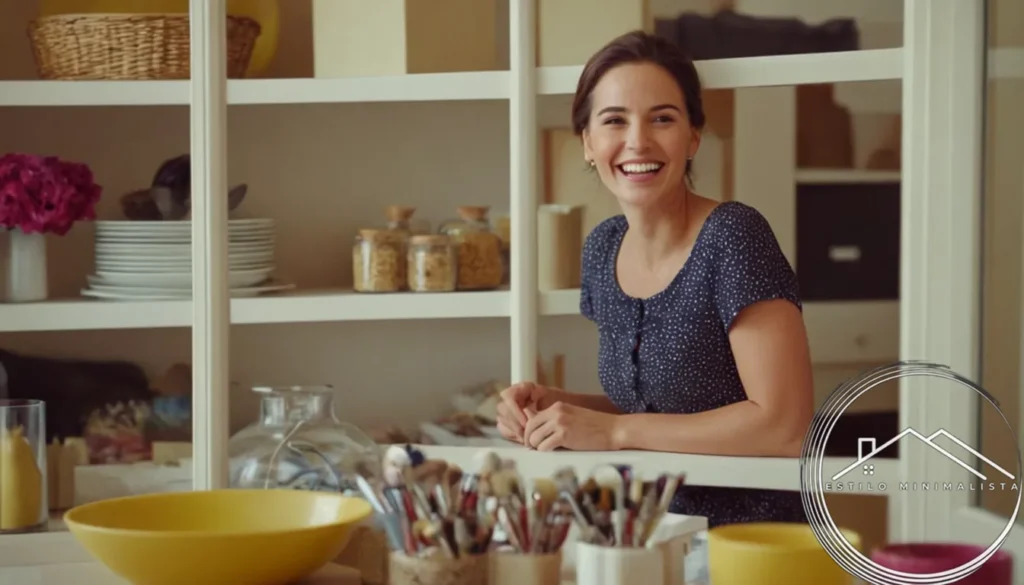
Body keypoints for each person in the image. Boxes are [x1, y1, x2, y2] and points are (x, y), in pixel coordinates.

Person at [495, 30, 815, 527]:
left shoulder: (733, 235)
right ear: (587, 142)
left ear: (692, 137)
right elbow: (653, 407)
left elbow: (782, 426)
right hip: (645, 530)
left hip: (749, 542)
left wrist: (612, 433)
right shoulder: (602, 247)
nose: (637, 141)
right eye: (614, 121)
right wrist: (560, 409)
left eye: (662, 118)